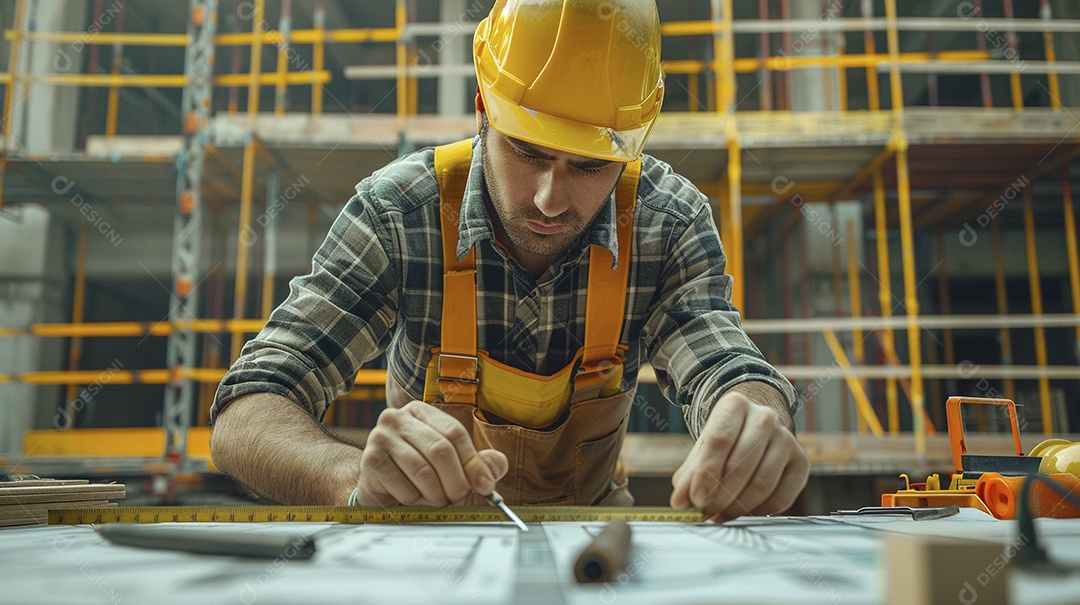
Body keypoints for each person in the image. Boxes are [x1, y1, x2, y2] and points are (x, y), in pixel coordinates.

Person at [210, 0, 809, 521]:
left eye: (591, 166)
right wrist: (351, 476)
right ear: (482, 110)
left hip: (592, 538)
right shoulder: (398, 215)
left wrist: (755, 418)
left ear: (634, 146)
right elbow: (248, 408)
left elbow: (723, 364)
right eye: (528, 152)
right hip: (422, 540)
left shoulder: (665, 224)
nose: (551, 199)